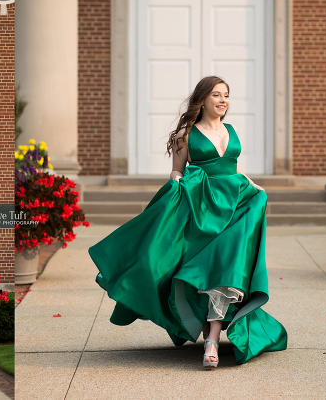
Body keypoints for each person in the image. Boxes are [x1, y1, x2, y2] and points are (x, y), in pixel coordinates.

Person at [88, 75, 287, 368]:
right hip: (203, 207)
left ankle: (212, 341)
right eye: (217, 95)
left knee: (227, 270)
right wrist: (176, 191)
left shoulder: (231, 130)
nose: (223, 101)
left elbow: (233, 166)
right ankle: (208, 334)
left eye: (227, 95)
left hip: (238, 205)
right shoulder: (186, 133)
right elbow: (177, 171)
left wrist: (254, 184)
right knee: (198, 273)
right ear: (203, 99)